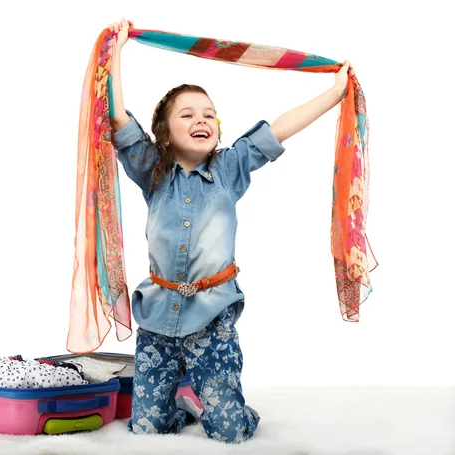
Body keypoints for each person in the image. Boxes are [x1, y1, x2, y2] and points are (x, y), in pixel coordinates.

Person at [107, 17, 353, 444]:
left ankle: (233, 409)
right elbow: (118, 120)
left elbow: (278, 127)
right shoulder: (153, 172)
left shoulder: (228, 169)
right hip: (158, 317)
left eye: (209, 114)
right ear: (164, 134)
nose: (202, 119)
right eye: (187, 114)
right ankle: (177, 406)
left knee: (228, 431)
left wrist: (333, 94)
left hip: (212, 315)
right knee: (146, 427)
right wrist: (116, 52)